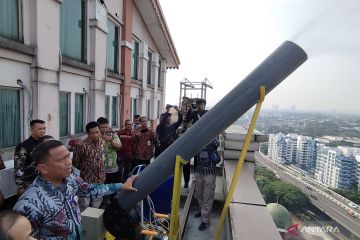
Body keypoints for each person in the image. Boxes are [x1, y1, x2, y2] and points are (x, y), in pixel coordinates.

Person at [13, 140, 137, 239]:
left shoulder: (71, 179)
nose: (69, 163)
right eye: (62, 159)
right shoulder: (29, 204)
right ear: (43, 168)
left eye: (68, 156)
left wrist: (121, 186)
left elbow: (90, 189)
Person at [72, 121, 106, 211]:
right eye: (92, 133)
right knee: (84, 205)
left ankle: (93, 223)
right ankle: (84, 223)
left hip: (100, 179)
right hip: (86, 180)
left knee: (97, 204)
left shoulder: (102, 141)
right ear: (88, 133)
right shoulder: (81, 145)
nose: (95, 135)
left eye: (97, 132)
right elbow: (75, 163)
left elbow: (103, 157)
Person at [14, 119, 46, 195]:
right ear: (31, 129)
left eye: (44, 128)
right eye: (39, 129)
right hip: (30, 182)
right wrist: (20, 186)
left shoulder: (45, 143)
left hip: (45, 180)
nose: (43, 131)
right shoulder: (23, 146)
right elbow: (18, 167)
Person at [194, 138, 219, 231]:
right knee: (199, 194)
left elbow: (217, 143)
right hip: (199, 171)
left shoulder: (213, 138)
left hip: (209, 172)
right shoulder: (198, 139)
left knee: (208, 196)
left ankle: (205, 220)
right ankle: (202, 211)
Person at [97, 117, 122, 183]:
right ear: (98, 127)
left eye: (106, 127)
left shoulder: (113, 135)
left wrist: (111, 141)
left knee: (112, 186)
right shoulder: (95, 136)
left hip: (112, 166)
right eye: (102, 127)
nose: (105, 129)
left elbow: (119, 146)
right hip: (99, 167)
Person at [185, 99, 208, 170]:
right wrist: (190, 109)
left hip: (205, 137)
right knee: (196, 156)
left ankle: (202, 171)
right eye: (199, 104)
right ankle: (196, 172)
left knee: (204, 155)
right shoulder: (194, 113)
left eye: (202, 104)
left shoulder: (208, 113)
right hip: (196, 137)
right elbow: (187, 120)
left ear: (204, 105)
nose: (200, 106)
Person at [176, 121, 190, 188]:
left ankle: (186, 183)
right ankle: (176, 182)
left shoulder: (191, 130)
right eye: (184, 122)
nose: (185, 123)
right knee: (177, 169)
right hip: (179, 153)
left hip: (187, 153)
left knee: (186, 169)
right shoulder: (179, 130)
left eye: (186, 122)